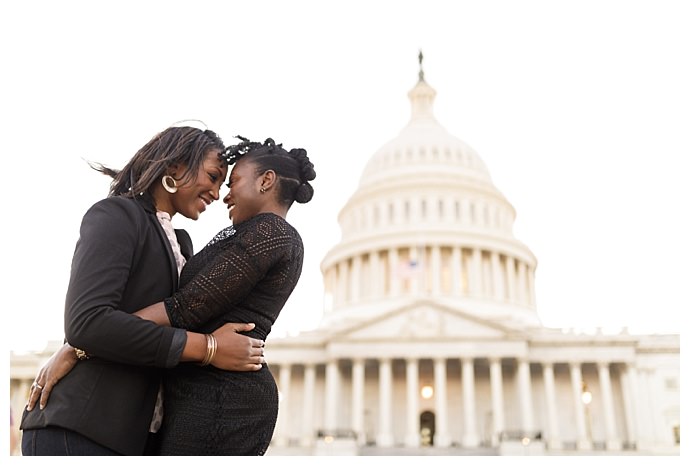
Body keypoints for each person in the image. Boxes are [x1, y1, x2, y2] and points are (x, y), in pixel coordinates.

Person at [20, 126, 265, 456]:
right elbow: (87, 322)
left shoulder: (182, 244)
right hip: (81, 428)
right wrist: (206, 347)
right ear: (174, 166)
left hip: (136, 437)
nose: (217, 193)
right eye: (212, 176)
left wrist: (76, 347)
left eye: (222, 183)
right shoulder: (117, 215)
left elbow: (116, 327)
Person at [135, 135, 316, 455]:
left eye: (234, 182)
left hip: (223, 399)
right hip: (202, 389)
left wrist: (89, 339)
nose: (225, 195)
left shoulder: (271, 232)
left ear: (266, 181)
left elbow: (187, 307)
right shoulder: (251, 232)